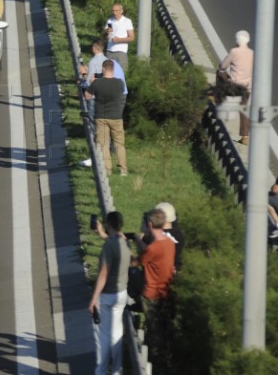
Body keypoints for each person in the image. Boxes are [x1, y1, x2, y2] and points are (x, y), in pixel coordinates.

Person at [133, 209, 176, 375]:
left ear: (149, 224)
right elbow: (151, 254)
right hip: (166, 292)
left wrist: (126, 246)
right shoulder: (169, 243)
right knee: (164, 330)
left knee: (154, 334)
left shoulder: (152, 249)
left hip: (152, 294)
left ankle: (158, 369)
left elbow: (138, 262)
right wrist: (141, 244)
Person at [89, 211, 131, 375]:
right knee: (116, 333)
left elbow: (103, 274)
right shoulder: (124, 243)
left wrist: (93, 299)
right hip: (121, 294)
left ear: (108, 225)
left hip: (106, 296)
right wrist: (101, 234)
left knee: (102, 336)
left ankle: (101, 370)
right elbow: (117, 247)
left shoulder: (109, 246)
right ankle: (117, 371)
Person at [84, 60, 128, 175]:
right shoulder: (120, 83)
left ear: (103, 69)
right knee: (119, 144)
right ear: (113, 69)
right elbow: (122, 93)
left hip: (101, 117)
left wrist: (93, 82)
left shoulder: (97, 83)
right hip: (116, 117)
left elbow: (87, 96)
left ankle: (107, 169)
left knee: (103, 144)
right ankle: (123, 169)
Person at [218, 30, 253, 145]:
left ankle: (219, 99)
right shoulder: (251, 52)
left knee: (220, 73)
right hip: (246, 87)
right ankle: (244, 137)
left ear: (237, 41)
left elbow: (223, 66)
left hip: (234, 85)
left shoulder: (234, 51)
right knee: (243, 110)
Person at [104, 3, 135, 72]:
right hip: (109, 51)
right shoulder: (110, 21)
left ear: (121, 11)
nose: (115, 13)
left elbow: (132, 37)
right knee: (108, 73)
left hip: (121, 52)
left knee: (122, 72)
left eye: (117, 11)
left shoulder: (127, 21)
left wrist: (119, 40)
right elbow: (107, 36)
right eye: (113, 11)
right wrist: (107, 32)